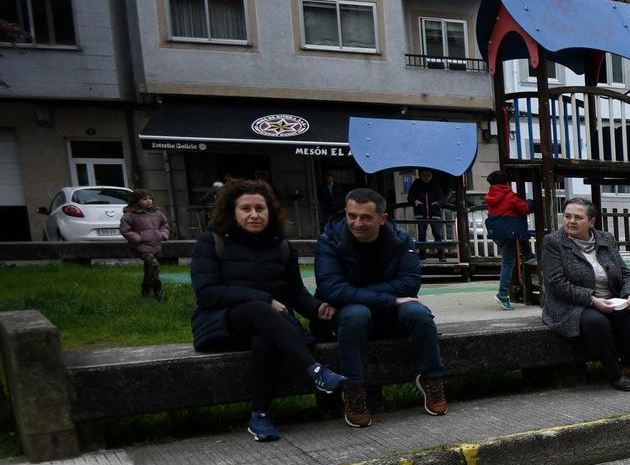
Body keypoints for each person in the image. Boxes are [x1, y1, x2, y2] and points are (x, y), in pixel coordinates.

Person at [191, 177, 345, 442]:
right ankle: (317, 371)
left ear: (269, 211)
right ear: (232, 211)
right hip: (223, 323)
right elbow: (207, 292)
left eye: (260, 209)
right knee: (259, 308)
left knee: (265, 339)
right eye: (246, 209)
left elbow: (294, 292)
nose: (254, 215)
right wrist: (264, 298)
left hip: (271, 326)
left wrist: (317, 308)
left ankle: (259, 416)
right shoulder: (210, 242)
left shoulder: (281, 245)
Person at [315, 188, 447, 427]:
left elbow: (410, 282)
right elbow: (331, 289)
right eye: (352, 215)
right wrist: (391, 298)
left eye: (366, 217)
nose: (357, 223)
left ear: (382, 218)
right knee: (356, 313)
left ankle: (432, 380)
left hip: (386, 315)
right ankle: (353, 390)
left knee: (418, 312)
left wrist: (356, 292)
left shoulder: (401, 240)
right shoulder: (329, 240)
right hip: (351, 316)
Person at [541, 198, 630, 390]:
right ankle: (614, 373)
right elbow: (556, 283)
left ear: (591, 222)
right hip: (573, 304)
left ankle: (629, 368)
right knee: (596, 322)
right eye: (567, 216)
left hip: (610, 298)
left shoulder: (605, 238)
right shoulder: (553, 242)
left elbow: (625, 274)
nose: (571, 221)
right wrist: (592, 299)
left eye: (578, 217)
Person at [483, 171, 531, 309]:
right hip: (508, 233)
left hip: (497, 233)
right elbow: (524, 209)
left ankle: (527, 253)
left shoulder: (490, 196)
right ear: (506, 183)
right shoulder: (509, 196)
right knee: (508, 264)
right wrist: (530, 203)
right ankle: (502, 294)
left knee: (507, 262)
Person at [120, 189, 170, 299]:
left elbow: (164, 224)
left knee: (149, 270)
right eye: (144, 199)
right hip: (142, 247)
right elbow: (125, 230)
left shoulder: (157, 213)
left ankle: (146, 291)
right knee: (153, 264)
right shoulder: (130, 215)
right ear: (136, 201)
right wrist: (138, 238)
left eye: (150, 198)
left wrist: (163, 234)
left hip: (156, 246)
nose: (148, 201)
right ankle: (158, 291)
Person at [406, 171, 446, 247]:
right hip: (420, 213)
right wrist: (415, 201)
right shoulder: (416, 184)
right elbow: (410, 197)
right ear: (420, 176)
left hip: (434, 213)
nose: (426, 177)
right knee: (421, 234)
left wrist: (438, 202)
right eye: (424, 175)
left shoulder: (435, 184)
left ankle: (441, 254)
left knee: (437, 234)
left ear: (431, 176)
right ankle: (422, 254)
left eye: (428, 175)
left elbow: (442, 198)